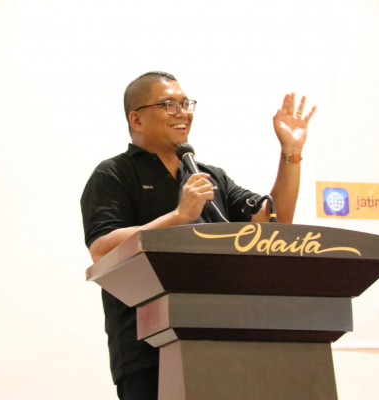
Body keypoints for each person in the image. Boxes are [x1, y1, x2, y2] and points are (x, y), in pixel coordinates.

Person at [80, 71, 316, 400]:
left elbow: (275, 222)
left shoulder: (209, 177)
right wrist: (178, 217)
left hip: (222, 340)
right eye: (168, 104)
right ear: (136, 119)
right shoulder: (114, 173)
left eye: (186, 104)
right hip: (148, 351)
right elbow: (102, 249)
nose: (183, 113)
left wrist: (290, 151)